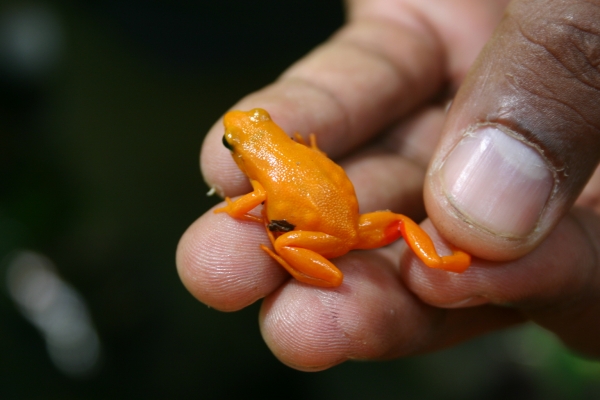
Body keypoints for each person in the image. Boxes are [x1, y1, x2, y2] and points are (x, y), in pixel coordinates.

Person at [176, 0, 600, 370]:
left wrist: (232, 207)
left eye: (255, 124)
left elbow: (248, 203)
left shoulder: (263, 174)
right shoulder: (287, 149)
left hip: (330, 235)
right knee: (396, 222)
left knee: (286, 245)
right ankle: (435, 260)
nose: (244, 129)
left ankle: (423, 263)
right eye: (235, 140)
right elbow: (311, 163)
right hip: (354, 226)